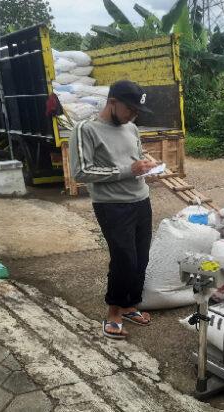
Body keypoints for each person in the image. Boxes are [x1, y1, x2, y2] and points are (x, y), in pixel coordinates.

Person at [69, 80, 158, 339]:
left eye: (137, 111)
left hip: (141, 199)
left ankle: (130, 305)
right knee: (124, 260)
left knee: (141, 258)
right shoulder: (86, 130)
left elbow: (136, 157)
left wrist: (147, 165)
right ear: (112, 102)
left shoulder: (131, 128)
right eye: (129, 109)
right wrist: (127, 170)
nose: (133, 115)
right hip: (112, 206)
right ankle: (114, 312)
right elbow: (80, 172)